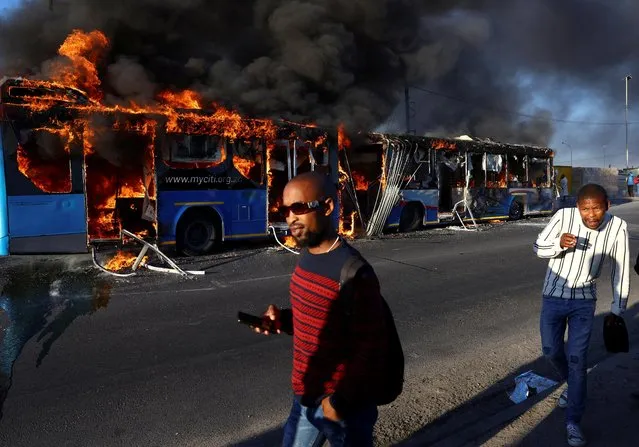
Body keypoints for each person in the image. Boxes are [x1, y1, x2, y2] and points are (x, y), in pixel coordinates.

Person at [251, 172, 389, 447]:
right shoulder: (306, 257)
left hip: (344, 406)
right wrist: (282, 320)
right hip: (304, 395)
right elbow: (317, 318)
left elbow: (373, 345)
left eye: (299, 208)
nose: (290, 218)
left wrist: (340, 400)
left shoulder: (354, 271)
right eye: (285, 209)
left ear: (327, 207)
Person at [534, 183, 629, 447]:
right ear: (578, 207)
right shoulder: (563, 217)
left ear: (606, 206)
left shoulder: (617, 228)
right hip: (553, 297)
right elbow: (538, 247)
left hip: (584, 303)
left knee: (577, 360)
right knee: (550, 350)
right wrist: (558, 245)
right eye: (585, 208)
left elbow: (619, 270)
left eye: (596, 208)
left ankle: (573, 421)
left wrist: (618, 308)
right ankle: (573, 384)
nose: (591, 215)